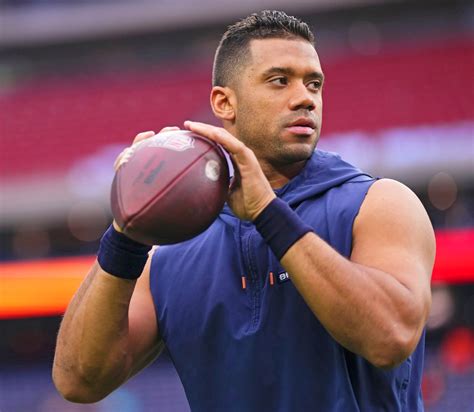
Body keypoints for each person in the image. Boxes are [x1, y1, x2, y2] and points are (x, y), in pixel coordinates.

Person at [53, 10, 435, 412]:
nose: (305, 97)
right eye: (279, 80)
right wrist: (127, 228)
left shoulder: (378, 203)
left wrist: (268, 213)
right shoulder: (170, 253)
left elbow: (391, 338)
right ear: (224, 102)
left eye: (314, 83)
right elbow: (78, 381)